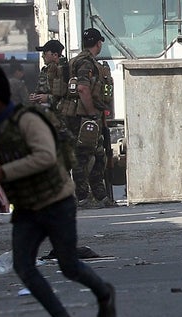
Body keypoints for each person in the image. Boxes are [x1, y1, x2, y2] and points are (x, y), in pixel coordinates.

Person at [0, 64, 116, 317]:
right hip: (28, 208)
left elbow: (46, 157)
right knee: (24, 267)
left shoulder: (28, 120)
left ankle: (104, 292)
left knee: (69, 266)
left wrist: (6, 173)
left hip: (56, 202)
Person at [58, 28, 114, 208]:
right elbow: (82, 88)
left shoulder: (77, 60)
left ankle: (101, 197)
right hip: (83, 117)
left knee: (98, 155)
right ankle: (83, 198)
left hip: (79, 115)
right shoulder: (86, 63)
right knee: (83, 157)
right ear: (99, 43)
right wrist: (91, 112)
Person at [31, 39, 68, 112]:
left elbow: (66, 94)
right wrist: (35, 96)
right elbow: (40, 89)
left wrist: (48, 98)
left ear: (55, 55)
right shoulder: (45, 70)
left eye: (45, 53)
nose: (42, 56)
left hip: (60, 113)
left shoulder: (65, 70)